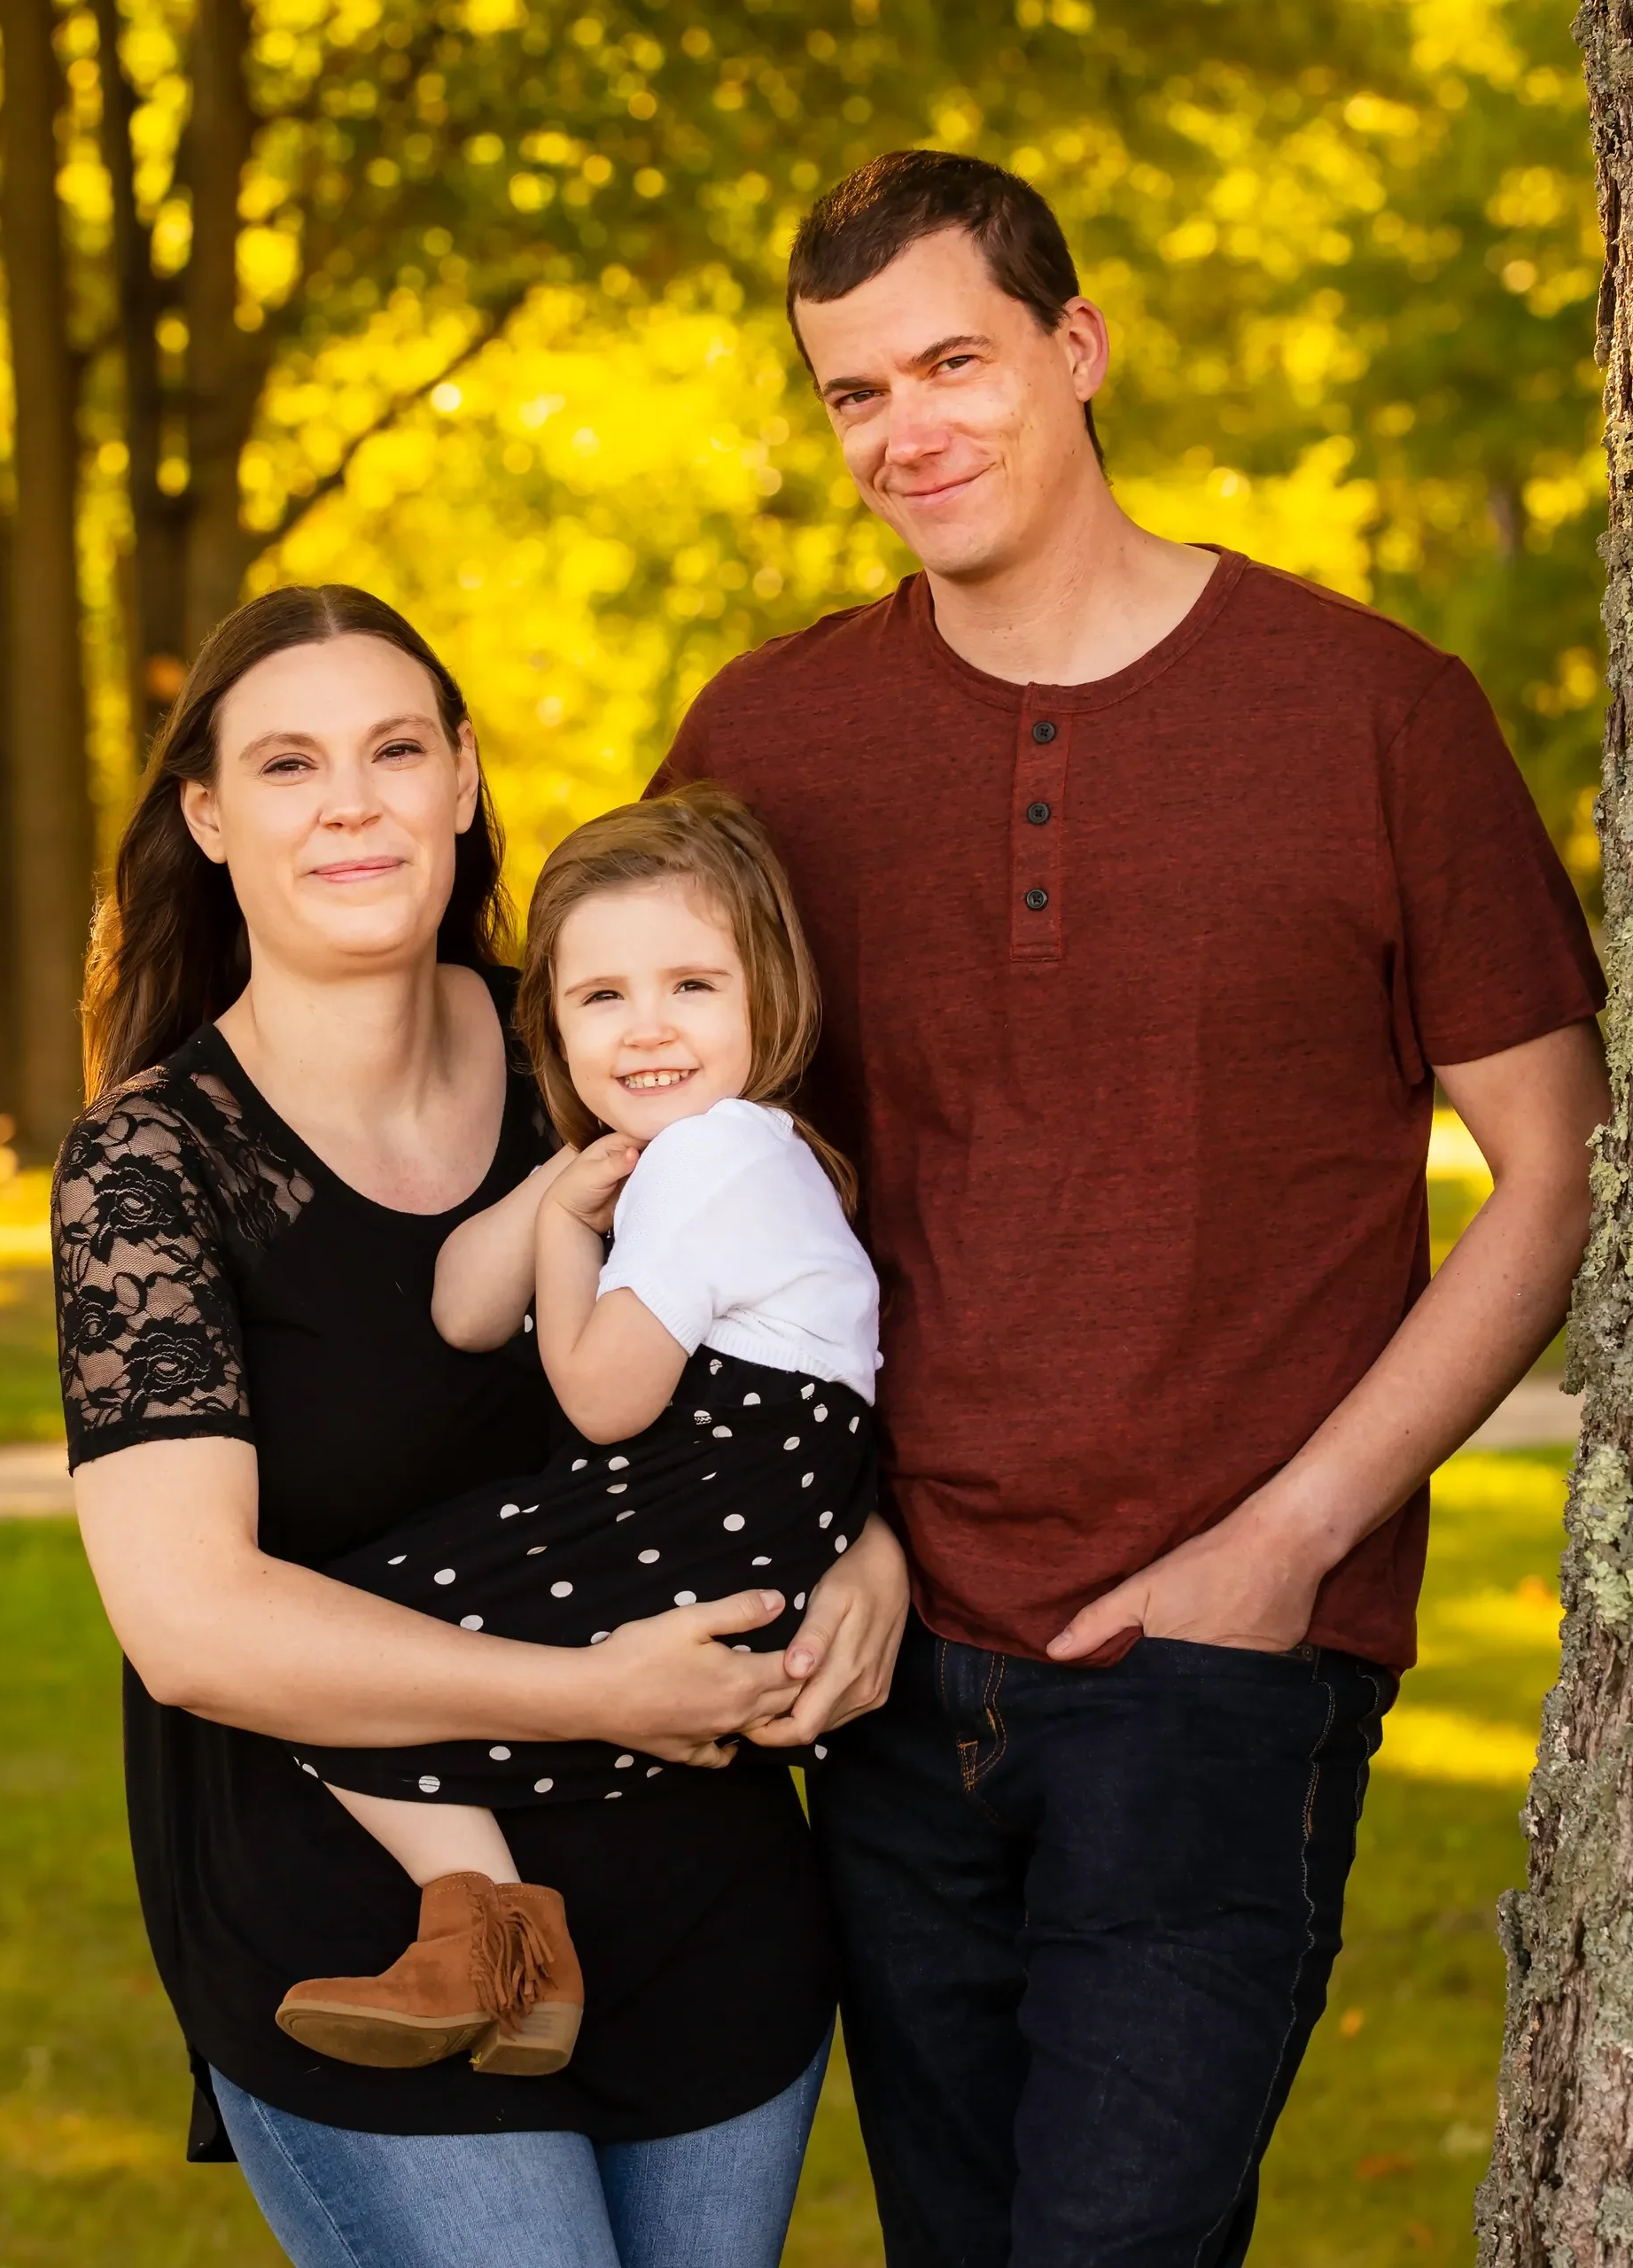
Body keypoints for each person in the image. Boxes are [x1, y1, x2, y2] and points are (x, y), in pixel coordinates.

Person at [657, 150, 1611, 2268]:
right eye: (850, 393)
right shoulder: (764, 738)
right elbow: (707, 1190)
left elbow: (1548, 1176)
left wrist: (1283, 1545)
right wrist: (850, 1533)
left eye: (953, 362)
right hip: (888, 1647)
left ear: (1076, 353)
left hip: (1227, 1662)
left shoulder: (1374, 713)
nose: (907, 430)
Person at [52, 584, 910, 2268]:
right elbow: (192, 1628)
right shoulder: (151, 1168)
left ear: (461, 779)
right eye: (290, 765)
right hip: (356, 1913)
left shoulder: (607, 1041)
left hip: (700, 1887)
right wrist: (597, 1691)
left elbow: (789, 1331)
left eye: (393, 749)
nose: (353, 801)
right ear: (211, 819)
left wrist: (862, 1542)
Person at [268, 788, 880, 2078]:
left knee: (348, 1642)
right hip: (742, 1496)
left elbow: (604, 1398)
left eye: (693, 986)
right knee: (372, 1656)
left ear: (770, 993)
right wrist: (569, 1178)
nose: (646, 1027)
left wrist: (563, 1233)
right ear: (550, 1019)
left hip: (706, 1483)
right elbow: (458, 1307)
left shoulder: (715, 1157)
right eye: (600, 998)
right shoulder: (707, 1156)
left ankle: (492, 1937)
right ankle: (495, 1941)